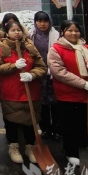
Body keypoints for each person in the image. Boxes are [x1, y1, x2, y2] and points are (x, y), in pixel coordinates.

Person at [47, 20, 88, 166]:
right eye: (69, 30)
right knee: (70, 125)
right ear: (62, 32)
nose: (73, 33)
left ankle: (84, 149)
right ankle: (71, 152)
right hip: (68, 95)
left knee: (85, 125)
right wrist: (83, 84)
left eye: (76, 30)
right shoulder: (56, 49)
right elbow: (59, 72)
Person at [0, 21, 46, 164]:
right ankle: (13, 146)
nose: (17, 33)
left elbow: (42, 67)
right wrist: (13, 66)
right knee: (12, 120)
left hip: (30, 90)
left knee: (30, 120)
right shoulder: (0, 49)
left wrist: (32, 74)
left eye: (19, 30)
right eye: (13, 30)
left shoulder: (30, 47)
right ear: (7, 33)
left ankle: (30, 146)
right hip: (11, 91)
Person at [28, 11, 61, 142]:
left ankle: (57, 130)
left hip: (54, 74)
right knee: (42, 104)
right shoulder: (30, 36)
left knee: (56, 104)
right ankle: (46, 129)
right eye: (39, 21)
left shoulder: (56, 36)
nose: (42, 24)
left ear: (49, 22)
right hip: (38, 74)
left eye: (45, 21)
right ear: (35, 22)